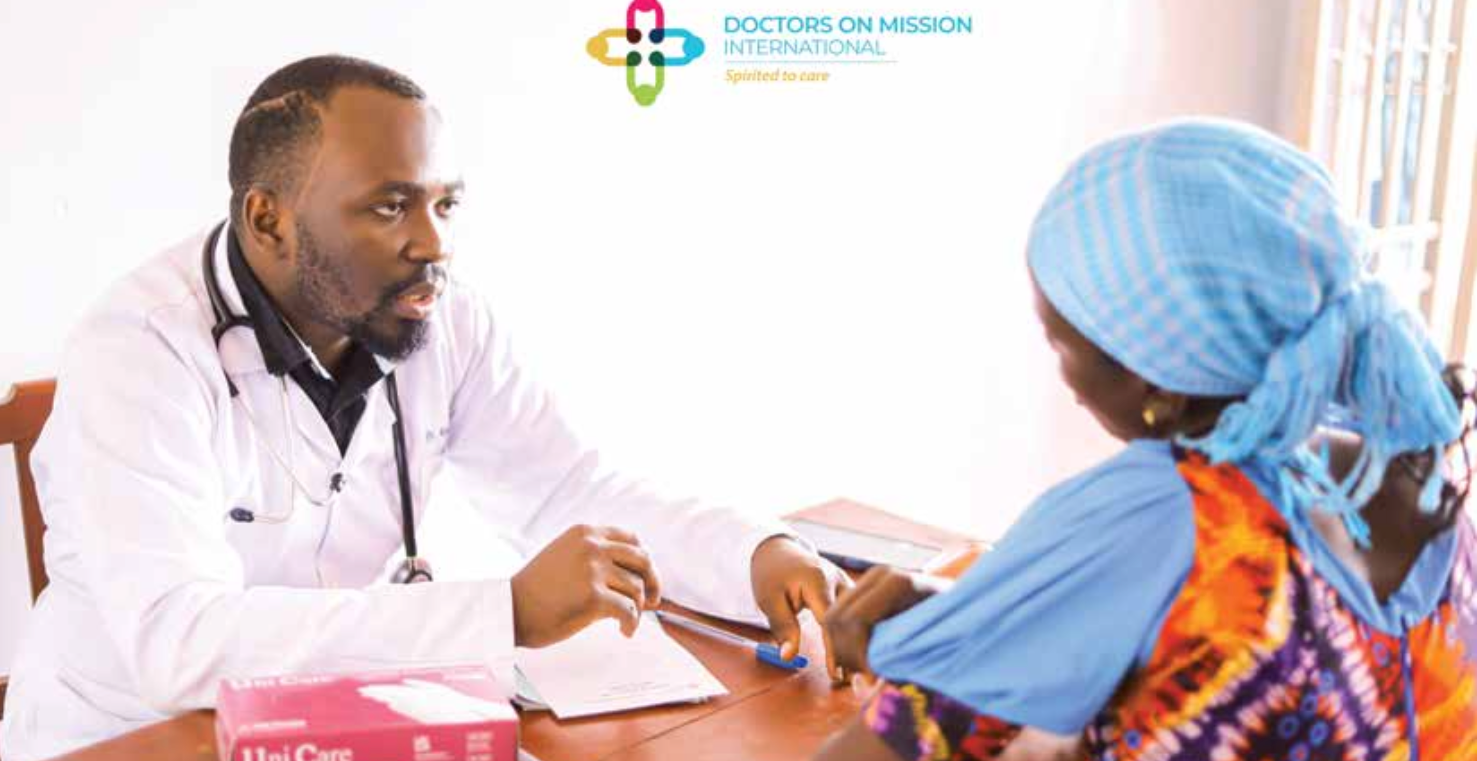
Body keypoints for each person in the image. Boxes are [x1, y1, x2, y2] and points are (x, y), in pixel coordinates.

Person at [0, 54, 848, 760]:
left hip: (343, 717)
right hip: (131, 734)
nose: (434, 243)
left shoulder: (432, 317)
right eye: (389, 205)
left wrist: (756, 553)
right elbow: (178, 641)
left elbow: (569, 489)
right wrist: (506, 611)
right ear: (268, 220)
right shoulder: (138, 349)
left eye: (445, 203)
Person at [814, 119, 1477, 760]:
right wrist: (976, 621)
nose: (1062, 376)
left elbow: (882, 749)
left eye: (1060, 340)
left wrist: (941, 659)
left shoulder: (1162, 513)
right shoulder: (1405, 461)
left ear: (1156, 385)